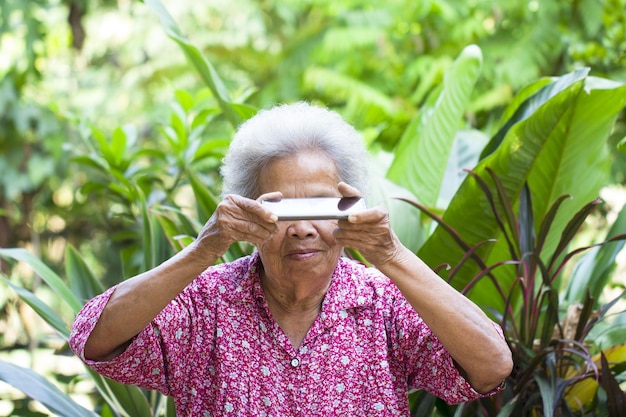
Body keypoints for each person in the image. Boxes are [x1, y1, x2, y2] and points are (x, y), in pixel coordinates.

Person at [70, 102, 513, 416]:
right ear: (248, 214)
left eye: (320, 208)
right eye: (283, 211)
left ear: (349, 208)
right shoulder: (205, 304)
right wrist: (203, 250)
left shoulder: (384, 303)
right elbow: (93, 339)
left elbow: (492, 367)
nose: (302, 229)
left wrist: (391, 255)